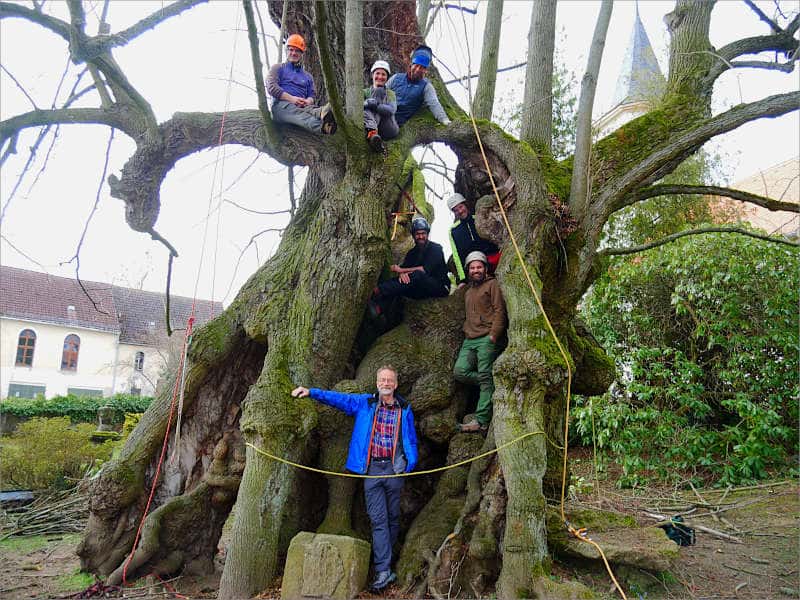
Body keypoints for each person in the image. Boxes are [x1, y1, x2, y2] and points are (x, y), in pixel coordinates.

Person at [291, 366, 417, 592]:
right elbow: (338, 398)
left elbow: (411, 440)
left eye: (390, 380)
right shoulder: (365, 404)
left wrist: (411, 463)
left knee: (393, 518)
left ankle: (391, 558)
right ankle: (383, 571)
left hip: (395, 470)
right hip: (372, 471)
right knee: (378, 521)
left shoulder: (404, 409)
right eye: (382, 380)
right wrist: (311, 392)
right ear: (377, 383)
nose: (386, 383)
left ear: (395, 384)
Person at [454, 251, 507, 433]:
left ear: (485, 268)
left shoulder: (492, 284)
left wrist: (493, 335)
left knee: (485, 375)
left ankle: (481, 420)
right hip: (470, 339)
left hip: (487, 338)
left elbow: (500, 310)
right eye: (472, 267)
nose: (476, 270)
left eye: (479, 267)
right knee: (460, 372)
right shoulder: (468, 292)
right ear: (468, 270)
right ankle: (490, 383)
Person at [368, 216, 450, 318]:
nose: (420, 237)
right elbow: (404, 268)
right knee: (400, 282)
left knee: (417, 275)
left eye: (423, 233)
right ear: (413, 235)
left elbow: (423, 270)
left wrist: (401, 270)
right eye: (417, 234)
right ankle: (379, 308)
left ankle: (377, 290)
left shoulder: (436, 249)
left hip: (439, 287)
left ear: (427, 234)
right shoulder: (412, 253)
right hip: (421, 290)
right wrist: (402, 274)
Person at [267, 34, 337, 135]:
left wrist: (308, 101)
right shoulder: (278, 68)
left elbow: (312, 95)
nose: (294, 53)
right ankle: (323, 127)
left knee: (311, 109)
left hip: (302, 106)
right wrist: (292, 99)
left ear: (301, 53)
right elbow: (272, 87)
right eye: (291, 50)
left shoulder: (307, 76)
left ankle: (323, 112)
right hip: (281, 106)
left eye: (297, 51)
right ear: (286, 50)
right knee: (298, 113)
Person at [386, 45, 451, 127]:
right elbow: (381, 92)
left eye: (422, 68)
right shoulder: (396, 78)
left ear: (426, 71)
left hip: (395, 123)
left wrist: (445, 120)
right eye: (416, 65)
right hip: (382, 113)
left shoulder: (426, 87)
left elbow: (434, 104)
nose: (417, 70)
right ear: (411, 65)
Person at [447, 192, 501, 285]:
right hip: (474, 268)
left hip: (492, 261)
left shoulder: (479, 219)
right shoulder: (453, 230)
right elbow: (457, 256)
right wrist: (463, 279)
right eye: (456, 210)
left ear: (465, 205)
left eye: (461, 207)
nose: (460, 211)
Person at [363, 60, 399, 153]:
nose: (380, 77)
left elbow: (391, 110)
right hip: (369, 123)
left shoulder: (390, 93)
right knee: (366, 108)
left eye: (383, 74)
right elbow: (358, 108)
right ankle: (373, 136)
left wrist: (376, 105)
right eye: (377, 73)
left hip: (388, 126)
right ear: (372, 75)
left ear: (387, 77)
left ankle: (372, 132)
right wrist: (367, 103)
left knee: (377, 93)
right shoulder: (364, 92)